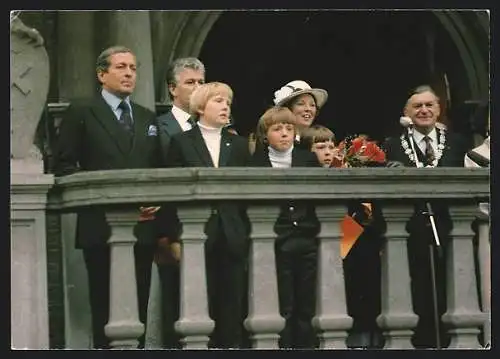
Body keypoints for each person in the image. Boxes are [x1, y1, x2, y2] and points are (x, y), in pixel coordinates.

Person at [52, 45, 165, 349]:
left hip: (143, 225)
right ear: (102, 74)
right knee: (105, 307)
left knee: (138, 305)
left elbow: (158, 169)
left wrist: (157, 199)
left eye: (133, 67)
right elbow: (64, 165)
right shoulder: (82, 112)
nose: (129, 73)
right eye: (121, 67)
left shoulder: (146, 117)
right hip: (99, 226)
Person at [165, 82, 252, 348]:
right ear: (201, 107)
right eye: (218, 101)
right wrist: (172, 237)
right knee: (198, 304)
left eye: (228, 101)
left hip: (232, 234)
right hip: (196, 234)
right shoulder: (180, 142)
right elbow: (171, 193)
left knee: (232, 306)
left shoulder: (237, 144)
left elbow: (248, 191)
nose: (226, 106)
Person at [383, 84, 469, 348]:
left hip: (449, 226)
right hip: (410, 227)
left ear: (439, 109)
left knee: (452, 285)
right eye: (417, 106)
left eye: (429, 105)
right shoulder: (393, 144)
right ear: (406, 112)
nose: (424, 110)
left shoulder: (457, 142)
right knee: (416, 286)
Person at [301, 125, 385, 349]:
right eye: (320, 147)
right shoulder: (303, 177)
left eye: (331, 146)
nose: (328, 152)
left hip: (349, 247)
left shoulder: (346, 175)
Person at [252, 106, 321, 349]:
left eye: (288, 128)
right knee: (283, 304)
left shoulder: (308, 159)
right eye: (277, 128)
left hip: (305, 239)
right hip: (275, 241)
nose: (284, 133)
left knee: (307, 304)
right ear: (265, 134)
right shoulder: (256, 163)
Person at [153, 57, 206, 349]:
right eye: (190, 83)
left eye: (201, 82)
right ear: (173, 89)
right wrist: (163, 236)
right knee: (177, 309)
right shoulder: (157, 127)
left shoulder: (219, 129)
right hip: (174, 232)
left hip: (213, 231)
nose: (197, 88)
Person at [250, 80, 328, 154]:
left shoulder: (317, 142)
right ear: (286, 109)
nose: (308, 109)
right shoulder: (271, 145)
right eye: (301, 104)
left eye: (312, 105)